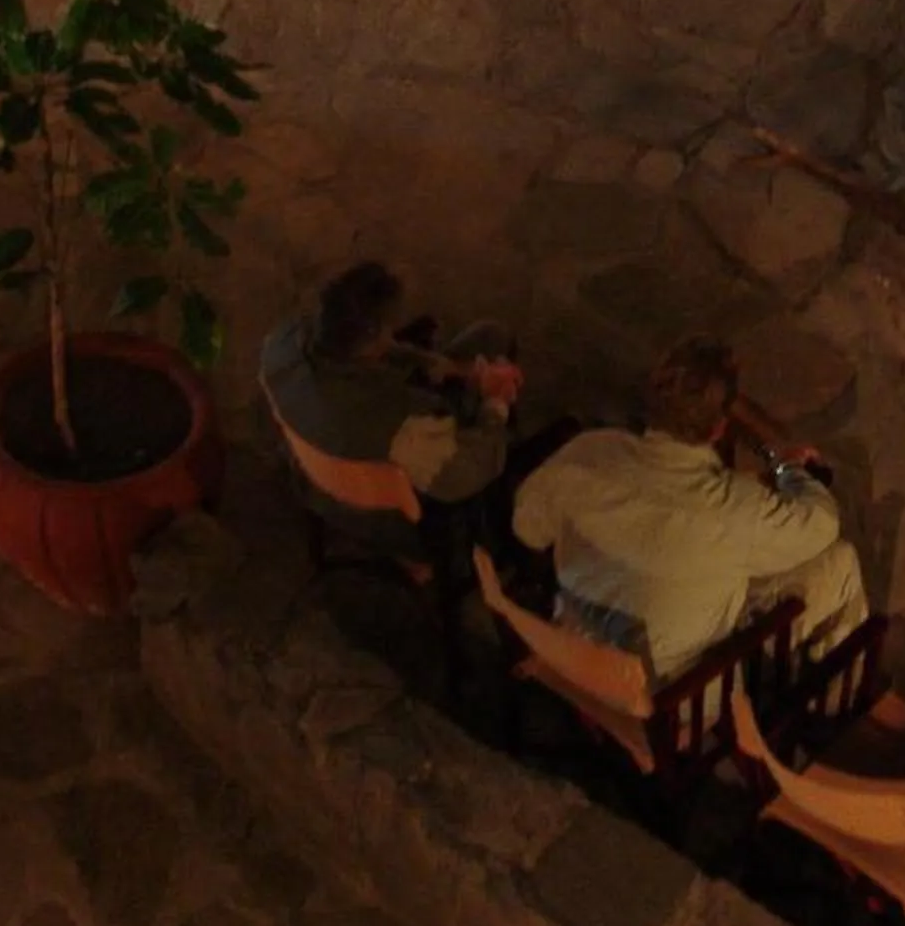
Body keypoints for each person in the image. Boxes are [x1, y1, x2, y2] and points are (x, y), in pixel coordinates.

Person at [512, 335, 869, 681]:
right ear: (718, 430)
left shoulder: (588, 452)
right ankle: (832, 699)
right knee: (841, 562)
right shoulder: (735, 511)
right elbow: (822, 523)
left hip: (576, 651)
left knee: (708, 566)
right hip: (667, 695)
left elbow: (526, 528)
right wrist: (788, 468)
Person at [259, 260, 523, 558]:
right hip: (385, 516)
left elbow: (369, 352)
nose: (392, 333)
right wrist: (495, 403)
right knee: (492, 338)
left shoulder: (281, 344)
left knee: (485, 337)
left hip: (312, 473)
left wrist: (437, 364)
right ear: (373, 335)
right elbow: (461, 476)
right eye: (387, 328)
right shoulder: (399, 423)